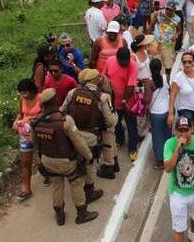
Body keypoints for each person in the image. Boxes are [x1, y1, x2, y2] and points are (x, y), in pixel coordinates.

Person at [32, 88, 99, 225]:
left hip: (48, 160)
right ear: (56, 101)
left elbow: (35, 145)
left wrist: (39, 163)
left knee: (56, 185)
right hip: (66, 161)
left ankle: (59, 215)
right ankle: (82, 213)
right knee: (76, 183)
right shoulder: (65, 120)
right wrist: (88, 155)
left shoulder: (36, 122)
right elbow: (79, 142)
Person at [62, 68, 118, 181]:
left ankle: (110, 163)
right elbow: (110, 121)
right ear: (96, 80)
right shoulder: (102, 97)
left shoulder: (72, 93)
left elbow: (62, 111)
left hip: (75, 133)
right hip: (93, 133)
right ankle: (109, 166)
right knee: (109, 132)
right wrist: (105, 125)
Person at [103, 47, 140, 161]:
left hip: (128, 101)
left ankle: (133, 148)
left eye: (127, 62)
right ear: (117, 59)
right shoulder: (110, 61)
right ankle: (120, 139)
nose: (125, 64)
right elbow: (104, 77)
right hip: (113, 101)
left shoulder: (133, 65)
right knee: (116, 122)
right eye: (122, 63)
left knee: (131, 125)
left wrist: (125, 100)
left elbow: (131, 85)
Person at [13, 79, 41, 202]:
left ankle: (47, 175)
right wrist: (17, 120)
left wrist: (30, 118)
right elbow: (20, 113)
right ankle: (26, 188)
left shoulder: (41, 98)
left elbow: (45, 114)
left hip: (39, 133)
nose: (23, 96)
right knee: (25, 162)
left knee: (43, 157)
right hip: (25, 134)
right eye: (21, 93)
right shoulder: (22, 100)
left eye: (25, 93)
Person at [169, 51, 194, 129]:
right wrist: (171, 114)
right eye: (184, 62)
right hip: (185, 109)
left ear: (193, 62)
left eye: (189, 62)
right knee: (188, 130)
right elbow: (173, 95)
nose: (187, 64)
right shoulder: (178, 78)